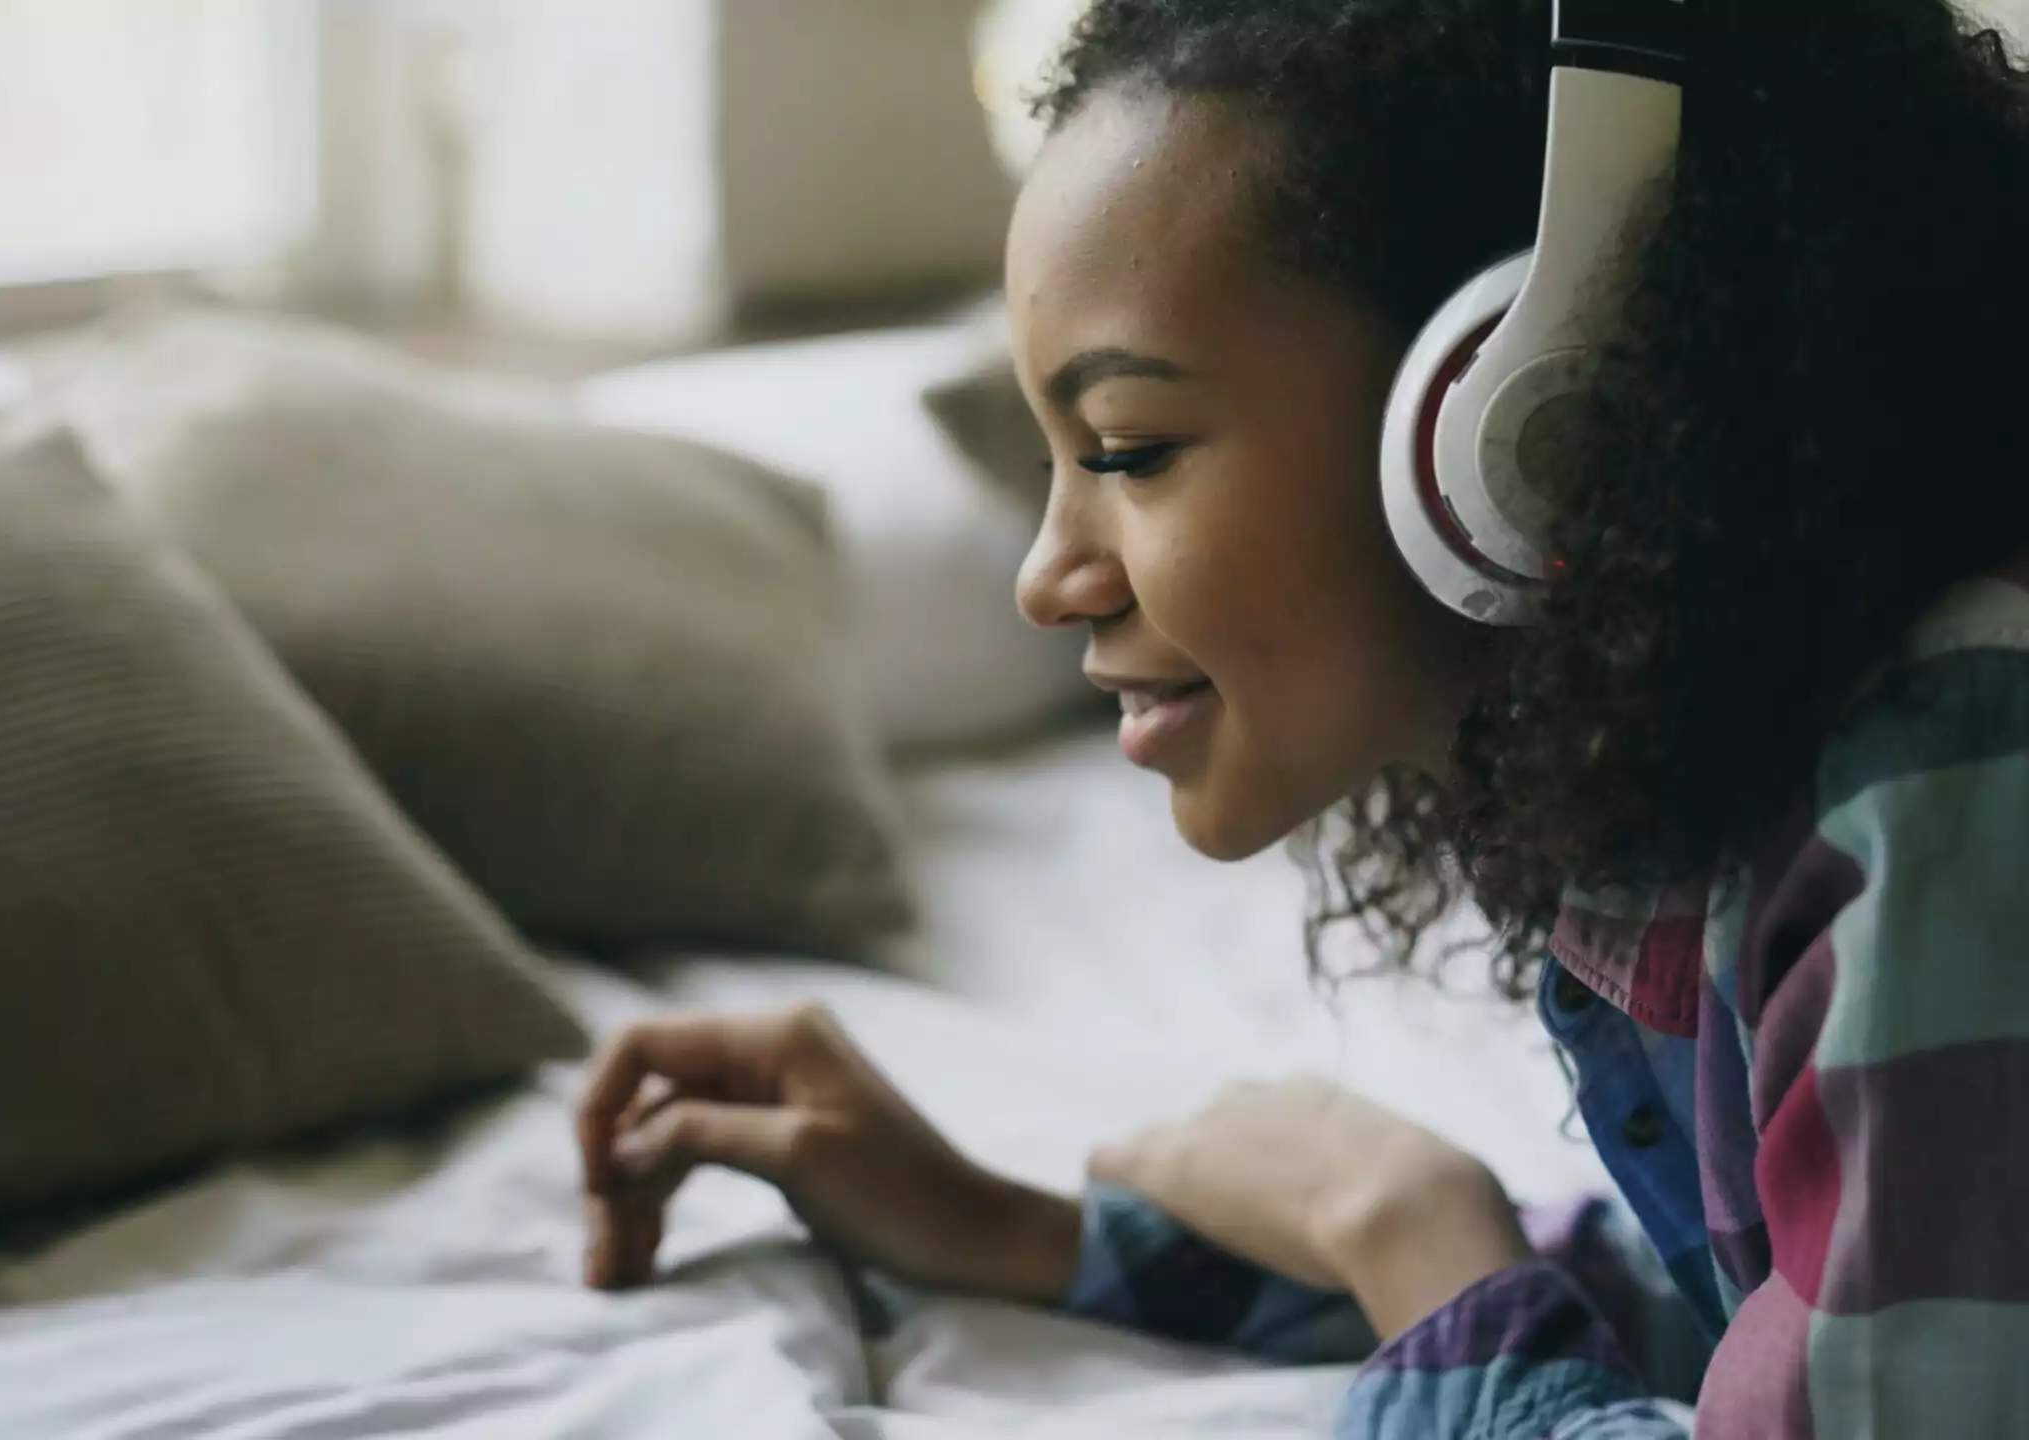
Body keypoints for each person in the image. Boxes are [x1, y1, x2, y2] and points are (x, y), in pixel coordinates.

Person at [575, 0, 2029, 1433]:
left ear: (1521, 407)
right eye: (1052, 467)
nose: (1043, 578)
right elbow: (1769, 1299)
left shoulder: (1937, 780)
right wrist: (1014, 1230)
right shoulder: (1739, 794)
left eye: (1131, 450)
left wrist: (1412, 1237)